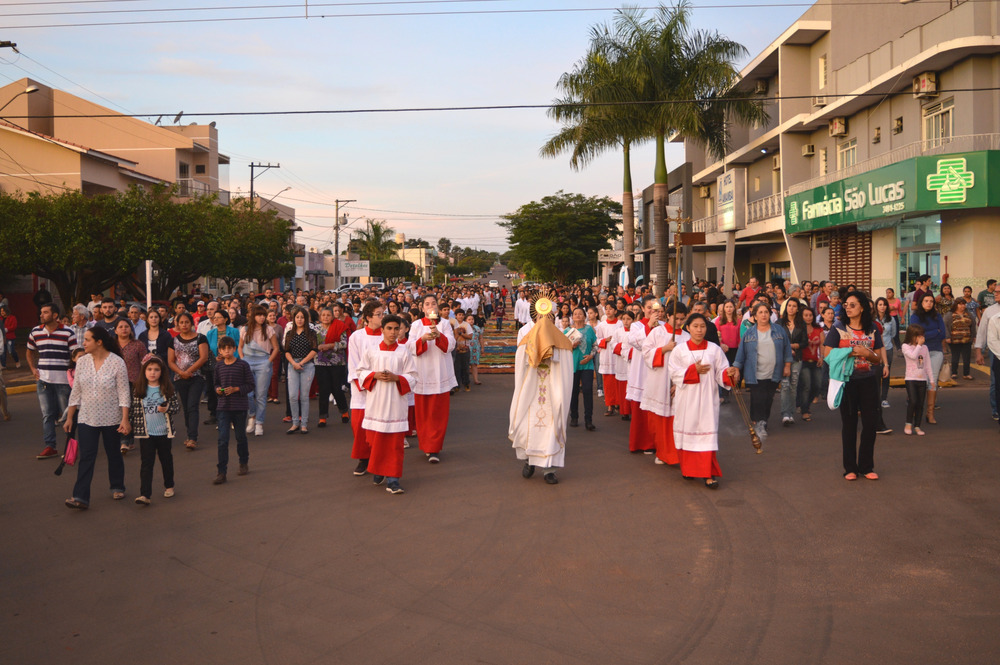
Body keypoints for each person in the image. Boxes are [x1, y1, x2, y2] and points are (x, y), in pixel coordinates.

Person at [62, 327, 131, 510]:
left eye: (86, 340)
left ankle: (117, 485)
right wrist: (69, 418)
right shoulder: (82, 362)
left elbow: (124, 393)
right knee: (87, 457)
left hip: (112, 418)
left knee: (113, 454)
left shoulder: (117, 362)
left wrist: (125, 419)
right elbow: (75, 392)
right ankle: (80, 496)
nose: (83, 343)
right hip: (86, 418)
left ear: (98, 342)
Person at [508, 299, 574, 485]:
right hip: (532, 391)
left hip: (552, 391)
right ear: (535, 316)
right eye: (541, 316)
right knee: (528, 427)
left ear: (553, 317)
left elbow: (566, 363)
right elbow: (521, 360)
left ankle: (549, 470)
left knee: (552, 428)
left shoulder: (560, 336)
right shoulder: (526, 334)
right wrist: (534, 353)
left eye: (549, 316)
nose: (545, 319)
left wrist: (553, 354)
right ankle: (529, 461)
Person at [823, 291, 887, 481]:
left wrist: (867, 355)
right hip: (847, 381)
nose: (848, 308)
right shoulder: (838, 328)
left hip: (868, 381)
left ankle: (867, 466)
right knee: (849, 425)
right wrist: (851, 351)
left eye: (852, 305)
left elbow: (877, 359)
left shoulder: (872, 328)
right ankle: (850, 467)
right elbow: (827, 354)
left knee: (869, 425)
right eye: (846, 305)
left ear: (862, 307)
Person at [668, 313, 733, 489]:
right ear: (688, 328)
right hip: (686, 399)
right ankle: (689, 469)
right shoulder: (679, 350)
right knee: (687, 433)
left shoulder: (714, 349)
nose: (699, 330)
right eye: (695, 326)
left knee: (706, 436)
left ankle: (707, 474)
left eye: (702, 326)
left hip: (707, 399)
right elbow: (673, 373)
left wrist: (730, 374)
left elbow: (721, 372)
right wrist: (692, 370)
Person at [356, 314, 417, 495]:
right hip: (376, 403)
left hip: (396, 405)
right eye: (389, 328)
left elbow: (413, 376)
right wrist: (373, 375)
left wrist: (397, 377)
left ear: (400, 330)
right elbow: (360, 371)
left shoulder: (404, 351)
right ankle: (378, 470)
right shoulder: (371, 350)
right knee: (376, 441)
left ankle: (393, 480)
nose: (393, 332)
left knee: (394, 444)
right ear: (382, 330)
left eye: (396, 329)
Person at [406, 295, 458, 465]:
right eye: (427, 304)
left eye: (433, 303)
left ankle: (435, 448)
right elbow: (409, 347)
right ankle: (427, 445)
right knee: (423, 414)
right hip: (422, 374)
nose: (430, 306)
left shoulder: (444, 324)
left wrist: (438, 336)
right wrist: (422, 339)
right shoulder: (416, 325)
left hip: (440, 373)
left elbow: (450, 345)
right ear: (422, 307)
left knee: (438, 414)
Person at [27, 303, 79, 460]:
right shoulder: (36, 331)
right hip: (43, 380)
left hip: (63, 381)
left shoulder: (68, 332)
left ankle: (71, 447)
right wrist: (32, 369)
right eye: (41, 312)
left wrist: (74, 375)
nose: (41, 315)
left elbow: (75, 354)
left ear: (55, 315)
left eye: (45, 312)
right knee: (47, 415)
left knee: (67, 415)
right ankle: (50, 446)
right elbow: (29, 352)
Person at [731, 303, 792, 436]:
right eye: (760, 312)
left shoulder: (779, 330)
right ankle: (760, 423)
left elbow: (787, 348)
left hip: (773, 372)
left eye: (766, 312)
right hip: (755, 373)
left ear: (770, 314)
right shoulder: (749, 333)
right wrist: (736, 368)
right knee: (758, 398)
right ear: (755, 315)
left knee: (768, 399)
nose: (764, 315)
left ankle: (761, 421)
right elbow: (741, 353)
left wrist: (787, 365)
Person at [641, 302, 689, 466]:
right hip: (659, 381)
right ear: (668, 315)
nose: (679, 322)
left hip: (678, 384)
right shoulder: (657, 333)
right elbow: (646, 353)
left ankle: (675, 454)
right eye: (676, 318)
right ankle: (661, 452)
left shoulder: (687, 337)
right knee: (659, 422)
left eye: (682, 319)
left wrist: (680, 381)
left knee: (675, 420)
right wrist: (664, 348)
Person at [130, 355, 181, 504]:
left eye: (156, 370)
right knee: (146, 463)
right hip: (146, 434)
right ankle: (145, 495)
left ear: (162, 372)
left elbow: (176, 408)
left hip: (164, 432)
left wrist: (167, 408)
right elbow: (133, 411)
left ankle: (169, 486)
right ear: (144, 371)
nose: (152, 372)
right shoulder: (138, 390)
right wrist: (127, 424)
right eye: (149, 369)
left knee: (166, 460)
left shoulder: (167, 388)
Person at [347, 302, 387, 475]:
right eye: (379, 314)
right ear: (368, 317)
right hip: (362, 389)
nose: (382, 317)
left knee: (378, 426)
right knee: (359, 425)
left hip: (382, 388)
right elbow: (354, 363)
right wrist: (364, 382)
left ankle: (377, 460)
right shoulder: (357, 337)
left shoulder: (387, 336)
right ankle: (363, 458)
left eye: (383, 313)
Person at [212, 336, 256, 484]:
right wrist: (218, 390)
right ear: (220, 351)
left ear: (235, 349)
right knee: (222, 439)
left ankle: (243, 462)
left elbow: (250, 385)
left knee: (240, 437)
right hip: (223, 407)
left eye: (229, 348)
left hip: (239, 407)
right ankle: (221, 471)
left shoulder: (242, 365)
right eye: (224, 349)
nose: (227, 351)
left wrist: (236, 389)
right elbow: (216, 384)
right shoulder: (218, 366)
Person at [166, 312, 209, 451]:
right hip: (180, 378)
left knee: (192, 406)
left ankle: (192, 437)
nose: (184, 325)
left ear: (191, 323)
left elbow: (203, 358)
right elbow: (171, 361)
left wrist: (189, 371)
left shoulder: (201, 338)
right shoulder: (174, 340)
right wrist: (181, 373)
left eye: (186, 322)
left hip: (197, 377)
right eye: (181, 322)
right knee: (186, 407)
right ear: (177, 324)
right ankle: (189, 433)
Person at [240, 304, 280, 436]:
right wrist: (242, 359)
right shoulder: (245, 329)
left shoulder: (269, 329)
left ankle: (259, 423)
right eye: (259, 315)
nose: (262, 317)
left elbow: (276, 347)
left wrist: (268, 361)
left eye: (263, 315)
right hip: (247, 362)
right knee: (248, 394)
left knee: (261, 395)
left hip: (263, 362)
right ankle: (251, 417)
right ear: (253, 316)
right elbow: (240, 347)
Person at [625, 296, 658, 453]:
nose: (652, 310)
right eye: (649, 307)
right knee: (641, 413)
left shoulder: (664, 326)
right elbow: (635, 343)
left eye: (655, 307)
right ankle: (641, 443)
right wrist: (649, 325)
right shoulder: (636, 326)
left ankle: (657, 444)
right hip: (641, 371)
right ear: (643, 309)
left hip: (659, 372)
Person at [913, 294, 948, 424]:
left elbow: (943, 333)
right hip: (920, 353)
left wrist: (926, 335)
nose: (929, 303)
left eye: (931, 301)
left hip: (936, 351)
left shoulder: (937, 316)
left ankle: (930, 413)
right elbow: (916, 335)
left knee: (932, 380)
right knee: (921, 378)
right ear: (921, 302)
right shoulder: (915, 316)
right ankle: (917, 411)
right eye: (926, 301)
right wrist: (935, 332)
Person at [315, 305, 351, 426]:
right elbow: (311, 344)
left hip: (337, 362)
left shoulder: (339, 326)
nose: (325, 317)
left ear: (333, 316)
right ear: (320, 316)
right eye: (323, 315)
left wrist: (330, 346)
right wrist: (317, 347)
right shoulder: (315, 329)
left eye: (328, 315)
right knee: (324, 389)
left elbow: (344, 343)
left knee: (336, 388)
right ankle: (322, 417)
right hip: (320, 362)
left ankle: (344, 411)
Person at [284, 306, 318, 434]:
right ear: (294, 319)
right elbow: (286, 351)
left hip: (307, 365)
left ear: (306, 319)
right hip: (292, 365)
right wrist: (294, 363)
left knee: (304, 396)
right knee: (292, 396)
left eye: (302, 317)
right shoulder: (289, 333)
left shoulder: (311, 333)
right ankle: (294, 423)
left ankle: (303, 424)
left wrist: (302, 362)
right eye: (297, 317)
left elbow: (314, 350)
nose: (299, 320)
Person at [115, 318, 146, 454]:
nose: (124, 329)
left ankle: (126, 441)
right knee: (118, 411)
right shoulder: (111, 345)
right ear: (115, 330)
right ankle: (124, 439)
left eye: (126, 326)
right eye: (120, 327)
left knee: (130, 412)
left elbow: (146, 362)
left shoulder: (138, 345)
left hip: (133, 381)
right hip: (114, 383)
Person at [564, 307, 598, 431]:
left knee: (588, 390)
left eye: (580, 314)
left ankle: (588, 419)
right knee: (573, 391)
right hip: (572, 365)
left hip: (587, 365)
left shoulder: (589, 330)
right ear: (572, 317)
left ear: (585, 316)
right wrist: (571, 346)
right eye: (575, 314)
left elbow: (595, 345)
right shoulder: (567, 331)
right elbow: (562, 350)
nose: (578, 315)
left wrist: (590, 356)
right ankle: (574, 417)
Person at [901, 324, 934, 436]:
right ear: (912, 336)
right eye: (918, 336)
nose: (921, 338)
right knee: (913, 401)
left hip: (922, 379)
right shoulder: (906, 346)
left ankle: (917, 426)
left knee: (920, 403)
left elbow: (928, 364)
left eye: (922, 336)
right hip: (910, 378)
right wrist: (919, 346)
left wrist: (932, 380)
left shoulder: (925, 348)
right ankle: (908, 423)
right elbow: (913, 356)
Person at [778, 298, 806, 426]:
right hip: (783, 359)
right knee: (785, 386)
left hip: (797, 358)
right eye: (789, 305)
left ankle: (790, 413)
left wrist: (794, 346)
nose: (791, 308)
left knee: (793, 386)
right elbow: (776, 341)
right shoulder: (779, 323)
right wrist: (787, 348)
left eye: (794, 306)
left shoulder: (802, 324)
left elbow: (805, 342)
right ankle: (785, 414)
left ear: (797, 308)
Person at [595, 302, 623, 417]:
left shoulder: (620, 324)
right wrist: (604, 340)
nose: (608, 311)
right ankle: (610, 405)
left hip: (617, 355)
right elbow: (597, 340)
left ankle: (619, 404)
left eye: (611, 309)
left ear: (615, 311)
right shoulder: (602, 325)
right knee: (608, 382)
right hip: (606, 355)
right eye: (606, 309)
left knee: (619, 381)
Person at [798, 306, 823, 422]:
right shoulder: (799, 329)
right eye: (806, 315)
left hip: (815, 361)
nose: (808, 317)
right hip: (802, 361)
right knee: (806, 385)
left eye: (810, 315)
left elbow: (822, 344)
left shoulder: (818, 329)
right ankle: (804, 410)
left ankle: (805, 405)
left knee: (817, 385)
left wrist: (821, 357)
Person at [874, 297, 897, 410]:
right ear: (876, 306)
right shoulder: (873, 319)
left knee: (886, 374)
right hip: (876, 350)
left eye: (884, 304)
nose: (882, 306)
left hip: (888, 348)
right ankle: (876, 397)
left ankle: (884, 398)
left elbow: (893, 334)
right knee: (876, 373)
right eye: (880, 304)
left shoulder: (891, 319)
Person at [948, 299, 974, 380]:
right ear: (956, 305)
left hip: (967, 340)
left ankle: (966, 373)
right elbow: (945, 326)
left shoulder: (969, 314)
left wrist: (974, 336)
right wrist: (947, 337)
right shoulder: (950, 315)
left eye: (964, 304)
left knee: (967, 358)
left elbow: (973, 326)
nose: (963, 306)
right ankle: (954, 373)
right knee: (955, 357)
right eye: (960, 304)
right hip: (954, 340)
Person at [452, 309, 473, 392]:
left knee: (465, 367)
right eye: (459, 315)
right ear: (455, 316)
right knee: (456, 368)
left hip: (465, 349)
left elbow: (470, 336)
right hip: (455, 349)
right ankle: (457, 385)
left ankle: (466, 383)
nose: (460, 316)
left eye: (462, 315)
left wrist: (461, 334)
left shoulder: (466, 325)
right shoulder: (453, 324)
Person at [470, 314, 484, 386]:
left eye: (472, 319)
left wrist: (482, 347)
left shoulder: (477, 328)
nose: (471, 321)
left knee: (474, 364)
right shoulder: (463, 328)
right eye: (469, 319)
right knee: (465, 365)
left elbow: (481, 338)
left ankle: (476, 379)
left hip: (475, 348)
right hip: (466, 348)